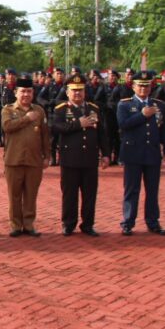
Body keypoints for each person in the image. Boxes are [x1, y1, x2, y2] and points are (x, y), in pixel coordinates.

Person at [51, 73, 110, 236]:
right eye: (74, 90)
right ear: (67, 92)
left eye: (80, 90)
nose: (77, 93)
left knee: (90, 194)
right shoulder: (61, 109)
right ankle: (68, 223)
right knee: (69, 194)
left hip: (90, 158)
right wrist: (78, 124)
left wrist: (105, 154)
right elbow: (56, 128)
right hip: (70, 158)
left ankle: (88, 224)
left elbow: (102, 133)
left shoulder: (94, 108)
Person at [117, 70, 165, 236]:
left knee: (152, 190)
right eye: (140, 86)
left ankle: (153, 222)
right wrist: (141, 115)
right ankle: (128, 222)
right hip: (133, 152)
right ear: (133, 86)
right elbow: (123, 125)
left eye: (146, 86)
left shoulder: (158, 105)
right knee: (132, 190)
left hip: (152, 152)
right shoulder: (125, 104)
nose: (143, 89)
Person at [1, 73, 51, 237]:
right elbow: (7, 127)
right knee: (14, 195)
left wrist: (47, 155)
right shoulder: (8, 109)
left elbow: (44, 135)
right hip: (13, 160)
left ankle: (29, 224)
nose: (26, 95)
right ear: (16, 92)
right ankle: (16, 225)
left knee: (31, 194)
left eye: (29, 92)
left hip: (34, 160)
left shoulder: (39, 111)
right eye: (23, 91)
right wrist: (27, 119)